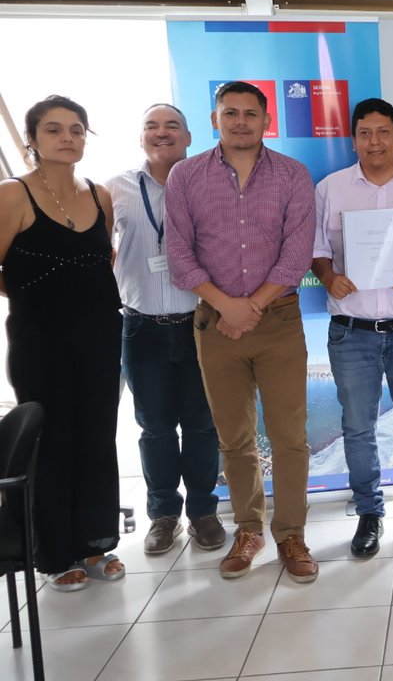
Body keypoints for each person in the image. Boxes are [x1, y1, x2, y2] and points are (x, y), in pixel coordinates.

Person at [165, 81, 318, 582]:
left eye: (250, 113)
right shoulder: (186, 176)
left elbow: (297, 254)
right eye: (230, 112)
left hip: (278, 321)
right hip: (215, 323)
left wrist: (249, 307)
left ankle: (291, 533)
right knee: (234, 437)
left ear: (266, 121)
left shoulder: (293, 174)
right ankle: (249, 530)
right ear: (215, 119)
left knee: (289, 437)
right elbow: (179, 254)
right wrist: (226, 307)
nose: (240, 122)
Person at [0, 95, 124, 590]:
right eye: (53, 129)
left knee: (97, 435)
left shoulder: (99, 194)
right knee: (51, 441)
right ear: (32, 139)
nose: (67, 138)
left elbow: (102, 259)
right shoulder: (12, 195)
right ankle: (54, 553)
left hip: (100, 334)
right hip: (40, 338)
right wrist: (32, 295)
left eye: (76, 129)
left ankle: (96, 542)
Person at [312, 98, 393, 559]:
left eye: (384, 131)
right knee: (358, 427)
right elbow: (317, 250)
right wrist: (329, 277)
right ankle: (369, 512)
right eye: (364, 133)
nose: (375, 141)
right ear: (353, 140)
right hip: (353, 330)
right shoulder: (331, 188)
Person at [109, 104, 223, 556]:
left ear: (189, 136)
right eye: (151, 126)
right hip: (142, 329)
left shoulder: (211, 184)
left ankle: (203, 512)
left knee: (201, 425)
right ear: (141, 138)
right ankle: (163, 515)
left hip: (199, 325)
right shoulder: (114, 189)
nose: (161, 132)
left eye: (172, 125)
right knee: (154, 428)